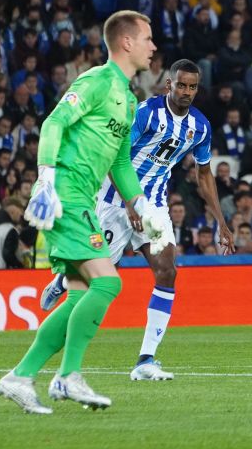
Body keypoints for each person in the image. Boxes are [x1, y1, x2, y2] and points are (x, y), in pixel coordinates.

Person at [0, 11, 162, 414]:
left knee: (79, 296)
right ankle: (68, 377)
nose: (153, 46)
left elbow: (121, 164)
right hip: (64, 192)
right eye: (147, 38)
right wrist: (47, 177)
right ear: (126, 42)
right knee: (109, 284)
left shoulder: (128, 100)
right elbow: (54, 123)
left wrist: (141, 204)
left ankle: (19, 377)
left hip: (81, 198)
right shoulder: (97, 81)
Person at [41, 59, 235, 381]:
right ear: (169, 84)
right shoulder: (145, 113)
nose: (186, 91)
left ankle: (145, 360)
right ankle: (63, 281)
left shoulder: (200, 127)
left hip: (154, 206)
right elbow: (115, 156)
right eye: (181, 85)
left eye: (192, 87)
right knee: (99, 278)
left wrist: (222, 223)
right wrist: (130, 202)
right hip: (115, 201)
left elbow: (204, 175)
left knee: (167, 270)